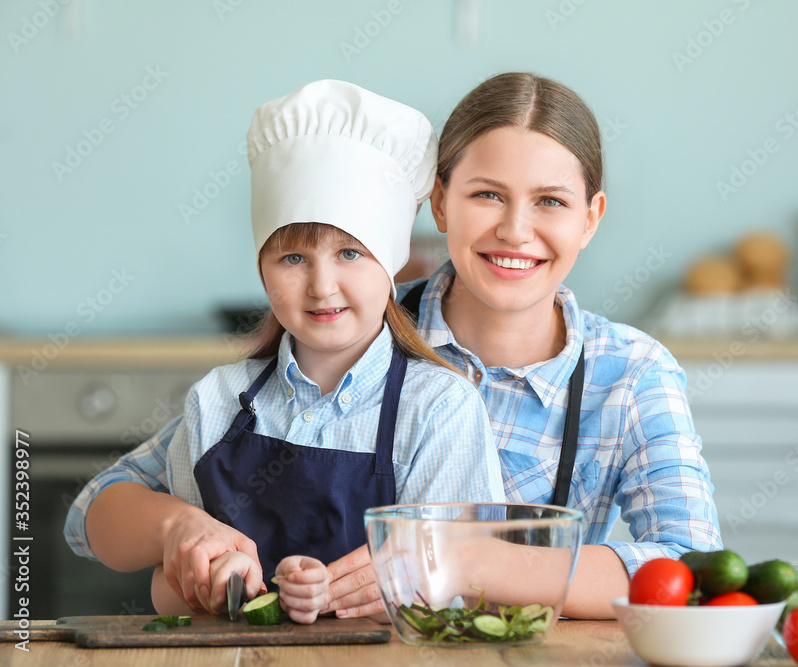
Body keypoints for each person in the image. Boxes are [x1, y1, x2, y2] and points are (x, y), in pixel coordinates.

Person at [66, 72, 722, 621]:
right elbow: (103, 504)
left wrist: (461, 559)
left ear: (591, 217)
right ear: (438, 204)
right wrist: (176, 532)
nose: (515, 230)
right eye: (487, 194)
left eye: (549, 201)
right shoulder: (346, 331)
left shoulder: (630, 374)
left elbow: (697, 573)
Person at [63, 80, 504, 622]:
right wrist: (199, 569)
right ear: (262, 270)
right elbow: (169, 578)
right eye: (292, 258)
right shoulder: (217, 401)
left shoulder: (440, 409)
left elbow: (474, 586)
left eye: (350, 253)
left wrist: (406, 581)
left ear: (389, 268)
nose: (322, 286)